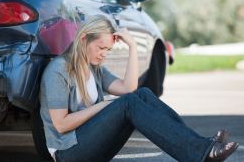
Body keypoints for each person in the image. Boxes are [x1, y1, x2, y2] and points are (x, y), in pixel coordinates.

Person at [39, 15, 238, 162]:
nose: (103, 55)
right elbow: (61, 125)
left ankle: (200, 145)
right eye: (101, 48)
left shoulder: (94, 68)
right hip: (68, 153)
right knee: (128, 103)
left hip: (89, 144)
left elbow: (128, 87)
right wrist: (103, 106)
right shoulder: (59, 71)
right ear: (83, 40)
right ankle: (201, 152)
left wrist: (132, 46)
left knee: (142, 94)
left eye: (108, 50)